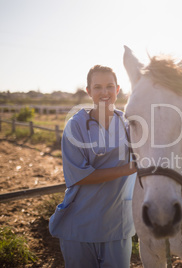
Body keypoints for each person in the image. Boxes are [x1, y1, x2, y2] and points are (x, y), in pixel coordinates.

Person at [49, 65, 137, 268]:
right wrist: (128, 169)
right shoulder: (76, 125)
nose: (104, 92)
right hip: (80, 224)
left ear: (118, 89)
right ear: (89, 91)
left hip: (117, 225)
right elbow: (80, 176)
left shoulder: (129, 123)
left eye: (109, 86)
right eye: (98, 87)